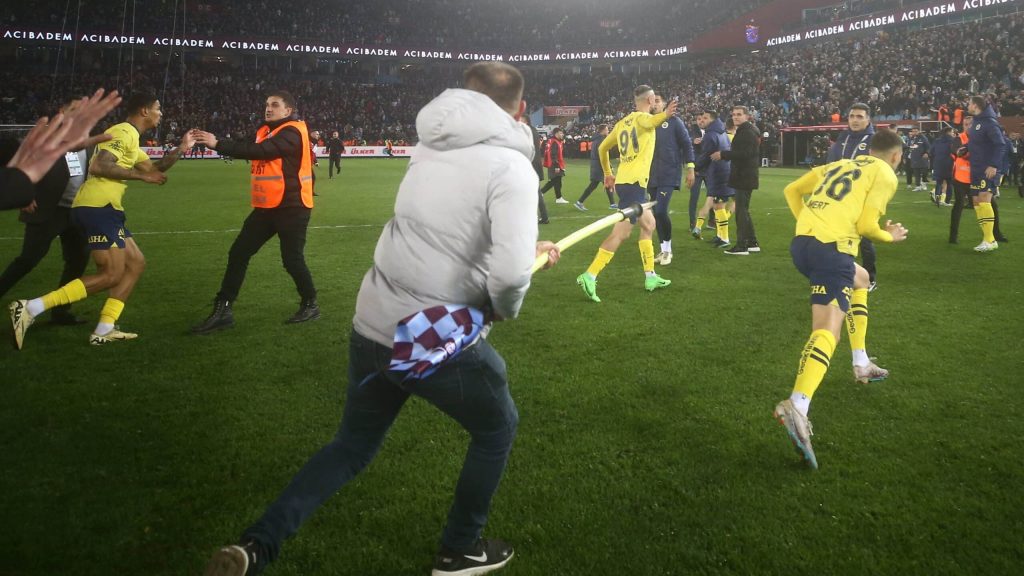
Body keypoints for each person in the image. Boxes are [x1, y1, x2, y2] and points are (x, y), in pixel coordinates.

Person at [202, 61, 560, 576]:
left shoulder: (430, 145)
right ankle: (460, 549)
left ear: (463, 97)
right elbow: (506, 277)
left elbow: (457, 235)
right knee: (498, 428)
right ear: (520, 109)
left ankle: (257, 546)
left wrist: (528, 249)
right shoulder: (511, 168)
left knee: (351, 445)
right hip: (426, 331)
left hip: (373, 316)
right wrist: (501, 309)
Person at [8, 92, 194, 349]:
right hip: (97, 207)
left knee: (136, 264)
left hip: (108, 209)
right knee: (111, 274)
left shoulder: (131, 137)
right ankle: (31, 307)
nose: (160, 113)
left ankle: (105, 328)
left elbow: (155, 168)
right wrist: (142, 178)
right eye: (158, 108)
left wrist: (182, 148)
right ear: (144, 111)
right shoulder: (123, 132)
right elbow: (99, 166)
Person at [773, 128, 909, 469]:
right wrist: (889, 236)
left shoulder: (840, 163)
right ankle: (797, 405)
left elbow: (792, 190)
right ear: (896, 156)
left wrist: (809, 223)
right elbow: (866, 225)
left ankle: (861, 362)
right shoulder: (885, 172)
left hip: (803, 244)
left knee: (861, 279)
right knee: (827, 331)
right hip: (831, 249)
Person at [189, 91, 320, 334]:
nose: (268, 108)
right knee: (239, 252)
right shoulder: (267, 131)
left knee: (292, 260)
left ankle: (310, 303)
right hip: (268, 206)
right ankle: (224, 308)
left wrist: (217, 144)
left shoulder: (292, 130)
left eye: (274, 105)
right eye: (266, 105)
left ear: (288, 111)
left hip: (292, 208)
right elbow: (251, 147)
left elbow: (261, 152)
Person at [576, 85, 676, 302]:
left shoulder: (623, 123)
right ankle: (590, 275)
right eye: (655, 100)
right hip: (634, 184)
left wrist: (607, 174)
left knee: (649, 225)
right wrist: (665, 114)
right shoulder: (642, 118)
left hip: (626, 182)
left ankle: (650, 276)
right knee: (621, 234)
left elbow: (602, 148)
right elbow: (651, 122)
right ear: (650, 100)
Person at [0, 98, 94, 325]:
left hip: (76, 211)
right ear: (62, 111)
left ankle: (61, 312)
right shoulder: (47, 138)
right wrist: (25, 194)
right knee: (28, 260)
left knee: (78, 261)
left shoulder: (88, 142)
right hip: (47, 209)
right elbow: (17, 164)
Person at [1, 89, 121, 211]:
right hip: (46, 210)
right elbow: (21, 166)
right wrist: (22, 192)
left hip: (80, 208)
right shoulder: (44, 140)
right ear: (62, 111)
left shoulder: (93, 141)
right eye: (74, 111)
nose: (78, 117)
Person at [826, 103, 879, 287]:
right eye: (852, 116)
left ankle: (870, 278)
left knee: (864, 240)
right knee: (838, 238)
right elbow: (831, 163)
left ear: (868, 119)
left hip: (863, 199)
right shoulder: (843, 137)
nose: (855, 120)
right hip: (839, 197)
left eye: (859, 117)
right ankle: (844, 273)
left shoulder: (874, 140)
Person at [646, 91, 695, 265]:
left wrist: (690, 168)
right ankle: (662, 249)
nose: (655, 104)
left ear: (665, 104)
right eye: (652, 102)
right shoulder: (647, 123)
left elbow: (687, 144)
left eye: (658, 101)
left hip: (668, 173)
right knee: (655, 214)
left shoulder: (674, 122)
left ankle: (668, 251)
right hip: (650, 175)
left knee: (660, 211)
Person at [712, 105, 760, 255]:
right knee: (743, 210)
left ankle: (742, 246)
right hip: (745, 175)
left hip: (744, 176)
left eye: (739, 114)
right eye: (733, 115)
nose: (735, 117)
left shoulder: (747, 132)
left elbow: (745, 153)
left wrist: (724, 154)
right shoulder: (748, 130)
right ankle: (752, 243)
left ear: (747, 116)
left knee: (741, 211)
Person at [966, 95, 1007, 253]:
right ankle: (987, 238)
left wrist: (994, 165)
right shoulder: (977, 121)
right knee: (976, 202)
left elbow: (1000, 145)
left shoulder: (990, 123)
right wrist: (965, 148)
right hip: (975, 168)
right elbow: (978, 144)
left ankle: (989, 240)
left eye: (969, 103)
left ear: (975, 105)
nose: (968, 105)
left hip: (986, 169)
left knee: (984, 199)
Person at [694, 110, 733, 249]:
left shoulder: (711, 135)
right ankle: (721, 236)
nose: (702, 120)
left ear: (712, 120)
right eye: (701, 118)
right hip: (723, 171)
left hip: (719, 173)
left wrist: (695, 167)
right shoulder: (722, 132)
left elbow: (705, 156)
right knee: (717, 205)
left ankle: (725, 238)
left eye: (705, 118)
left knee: (719, 205)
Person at [574, 124, 617, 211]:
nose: (608, 131)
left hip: (596, 165)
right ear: (603, 130)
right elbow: (603, 155)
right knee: (597, 184)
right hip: (600, 166)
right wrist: (609, 167)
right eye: (607, 130)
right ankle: (579, 202)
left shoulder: (596, 140)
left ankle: (612, 204)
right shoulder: (601, 140)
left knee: (603, 184)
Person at [949, 117, 973, 243]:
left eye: (970, 124)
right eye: (965, 124)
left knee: (990, 204)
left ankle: (994, 234)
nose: (967, 126)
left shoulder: (979, 139)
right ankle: (953, 237)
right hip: (960, 178)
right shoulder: (959, 138)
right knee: (959, 205)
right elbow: (956, 151)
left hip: (976, 178)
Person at [929, 127, 956, 206]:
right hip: (949, 163)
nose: (953, 133)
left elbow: (931, 151)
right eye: (952, 132)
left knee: (939, 182)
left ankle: (937, 196)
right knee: (949, 183)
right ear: (948, 132)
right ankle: (946, 201)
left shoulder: (937, 140)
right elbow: (955, 151)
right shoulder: (952, 140)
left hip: (938, 163)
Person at [539, 127, 568, 204]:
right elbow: (553, 155)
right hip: (555, 165)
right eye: (561, 133)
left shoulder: (554, 141)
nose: (562, 134)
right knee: (554, 181)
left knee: (557, 181)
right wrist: (557, 165)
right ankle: (540, 193)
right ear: (556, 134)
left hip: (554, 164)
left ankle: (559, 198)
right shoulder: (555, 142)